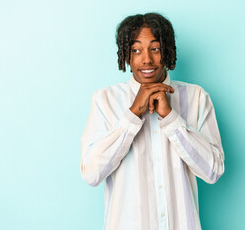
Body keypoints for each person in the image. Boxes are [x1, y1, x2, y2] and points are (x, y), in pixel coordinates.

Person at [80, 12, 225, 230]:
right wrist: (131, 116)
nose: (146, 59)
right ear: (126, 55)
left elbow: (213, 171)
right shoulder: (105, 101)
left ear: (167, 51)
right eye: (136, 50)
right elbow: (91, 173)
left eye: (155, 49)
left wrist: (171, 118)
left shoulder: (196, 98)